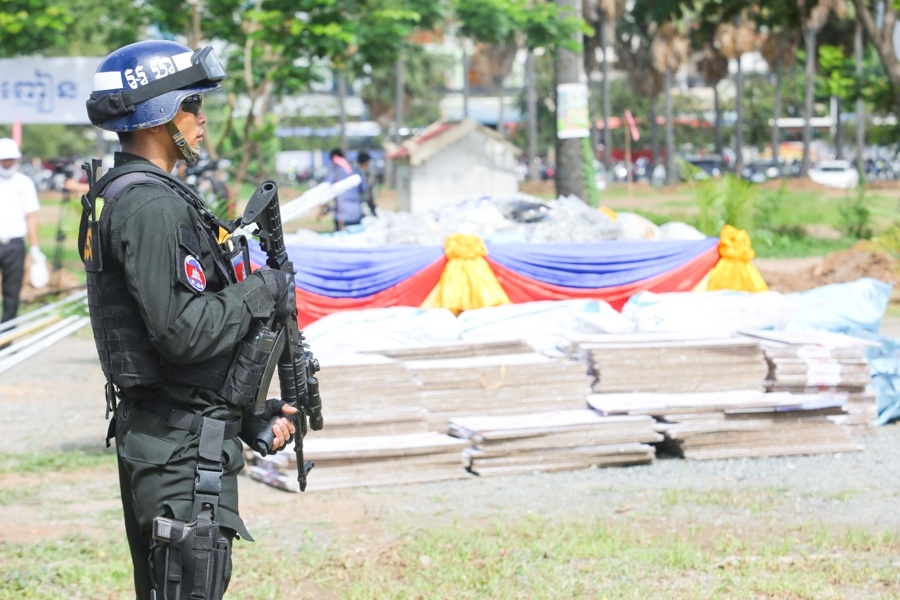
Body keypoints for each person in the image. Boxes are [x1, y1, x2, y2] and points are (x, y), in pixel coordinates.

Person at [82, 40, 298, 600]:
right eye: (190, 106)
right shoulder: (151, 206)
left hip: (183, 437)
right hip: (178, 456)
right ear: (157, 117)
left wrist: (245, 415)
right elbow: (181, 332)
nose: (202, 120)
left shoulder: (145, 195)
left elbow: (177, 349)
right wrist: (261, 291)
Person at [0, 137, 43, 324]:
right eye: (4, 159)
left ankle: (7, 335)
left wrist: (34, 248)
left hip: (15, 243)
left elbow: (31, 217)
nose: (7, 163)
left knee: (12, 290)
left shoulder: (24, 183)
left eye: (10, 159)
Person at [322, 148, 367, 231]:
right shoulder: (355, 169)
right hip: (356, 213)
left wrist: (321, 209)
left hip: (341, 215)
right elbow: (364, 188)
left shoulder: (334, 171)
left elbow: (325, 189)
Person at [356, 150, 378, 217]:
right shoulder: (358, 173)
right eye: (367, 162)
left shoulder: (369, 172)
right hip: (360, 202)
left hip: (368, 201)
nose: (369, 164)